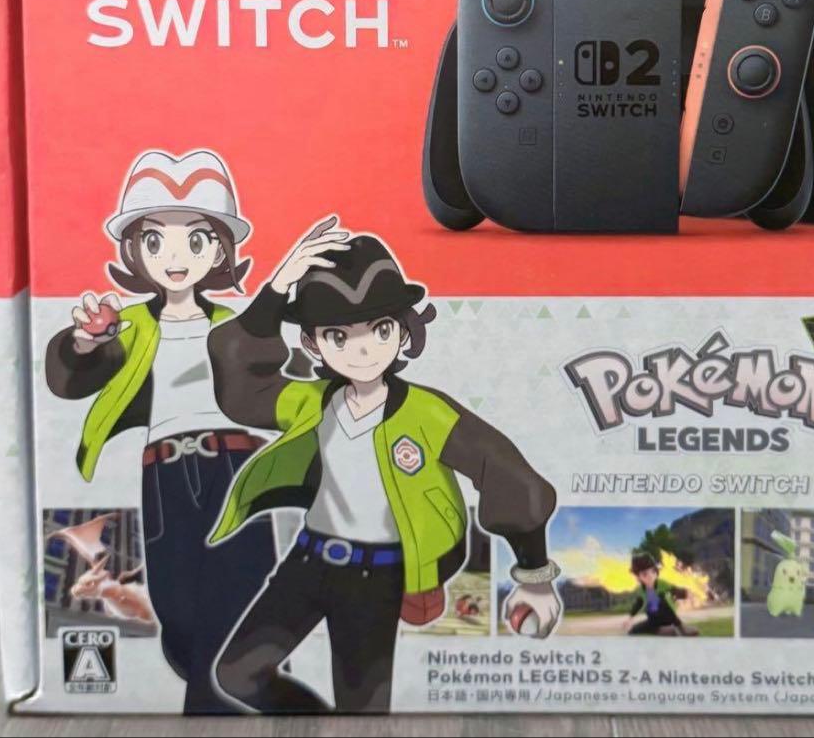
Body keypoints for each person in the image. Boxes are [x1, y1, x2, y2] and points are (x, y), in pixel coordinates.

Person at [207, 219, 562, 713]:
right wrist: (277, 288)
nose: (362, 349)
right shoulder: (311, 402)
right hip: (307, 563)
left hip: (378, 578)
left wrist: (534, 576)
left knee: (363, 711)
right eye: (338, 335)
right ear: (312, 343)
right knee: (237, 673)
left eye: (380, 329)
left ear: (402, 328)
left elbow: (508, 475)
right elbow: (243, 388)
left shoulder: (426, 413)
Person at [44, 150, 278, 712]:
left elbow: (271, 376)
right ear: (135, 251)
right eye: (155, 241)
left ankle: (219, 698)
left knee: (243, 590)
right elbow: (68, 379)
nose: (175, 258)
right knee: (175, 604)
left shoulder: (233, 323)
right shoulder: (130, 325)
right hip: (165, 473)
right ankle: (226, 684)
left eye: (196, 240)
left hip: (234, 465)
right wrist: (86, 342)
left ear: (220, 250)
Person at [623, 551, 690, 635]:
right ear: (638, 577)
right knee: (633, 631)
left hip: (668, 617)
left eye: (653, 572)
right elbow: (638, 604)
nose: (650, 576)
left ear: (656, 572)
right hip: (653, 620)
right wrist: (629, 618)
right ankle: (658, 630)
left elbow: (676, 591)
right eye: (645, 574)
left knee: (660, 598)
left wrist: (686, 593)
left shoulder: (662, 584)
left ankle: (679, 628)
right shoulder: (641, 589)